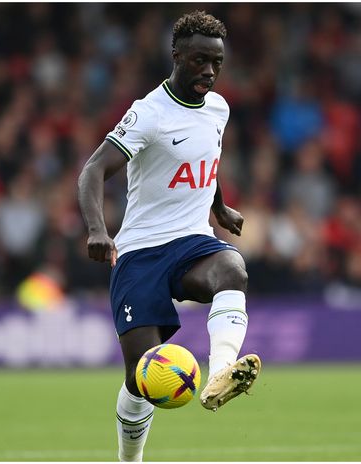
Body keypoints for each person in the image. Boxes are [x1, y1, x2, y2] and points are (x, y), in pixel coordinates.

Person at [77, 11, 260, 462]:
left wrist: (219, 207)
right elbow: (93, 170)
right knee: (141, 381)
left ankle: (220, 373)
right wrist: (98, 229)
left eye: (216, 63)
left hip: (192, 241)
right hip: (141, 253)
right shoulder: (149, 113)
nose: (209, 71)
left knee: (233, 268)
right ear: (177, 56)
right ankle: (130, 459)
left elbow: (206, 159)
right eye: (199, 61)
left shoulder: (218, 109)